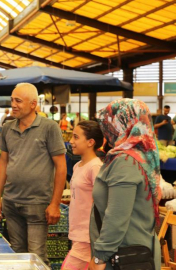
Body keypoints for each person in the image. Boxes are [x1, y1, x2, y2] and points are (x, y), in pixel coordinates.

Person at [0, 83, 67, 264]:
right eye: (12, 100)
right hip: (11, 202)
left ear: (33, 104)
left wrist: (55, 203)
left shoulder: (49, 127)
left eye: (18, 101)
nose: (13, 105)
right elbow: (3, 163)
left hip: (37, 204)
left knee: (37, 257)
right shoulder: (8, 128)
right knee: (17, 254)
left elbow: (61, 167)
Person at [89, 99, 161, 270]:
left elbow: (116, 215)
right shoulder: (142, 155)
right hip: (129, 252)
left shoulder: (125, 161)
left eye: (108, 125)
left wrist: (100, 256)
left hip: (125, 257)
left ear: (121, 124)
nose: (106, 131)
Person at [62, 121, 104, 270]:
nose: (71, 141)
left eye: (76, 137)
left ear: (90, 142)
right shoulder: (77, 166)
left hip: (87, 236)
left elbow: (101, 204)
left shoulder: (95, 167)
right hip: (77, 233)